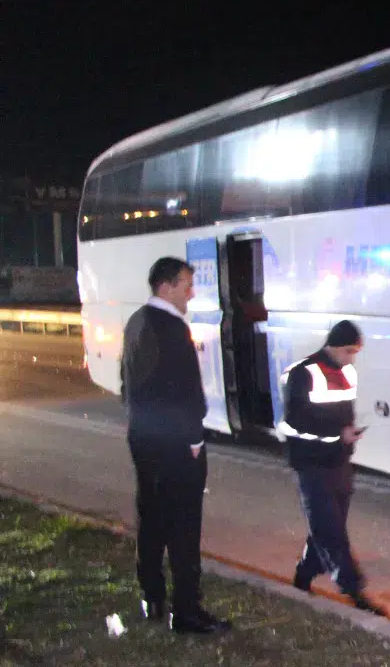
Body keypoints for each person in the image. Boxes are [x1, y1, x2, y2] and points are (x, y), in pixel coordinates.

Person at [121, 256, 231, 634]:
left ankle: (152, 594)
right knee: (184, 526)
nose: (192, 291)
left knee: (150, 518)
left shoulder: (136, 321)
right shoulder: (171, 328)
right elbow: (186, 392)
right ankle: (186, 610)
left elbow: (128, 382)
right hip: (175, 446)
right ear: (166, 286)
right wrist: (195, 439)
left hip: (143, 438)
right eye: (187, 284)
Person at [280, 320, 385, 615]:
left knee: (327, 526)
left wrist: (347, 437)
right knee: (331, 529)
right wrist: (338, 435)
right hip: (310, 464)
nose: (352, 358)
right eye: (349, 351)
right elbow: (296, 423)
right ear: (334, 346)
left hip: (338, 462)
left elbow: (343, 413)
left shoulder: (347, 372)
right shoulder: (302, 373)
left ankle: (304, 574)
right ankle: (354, 591)